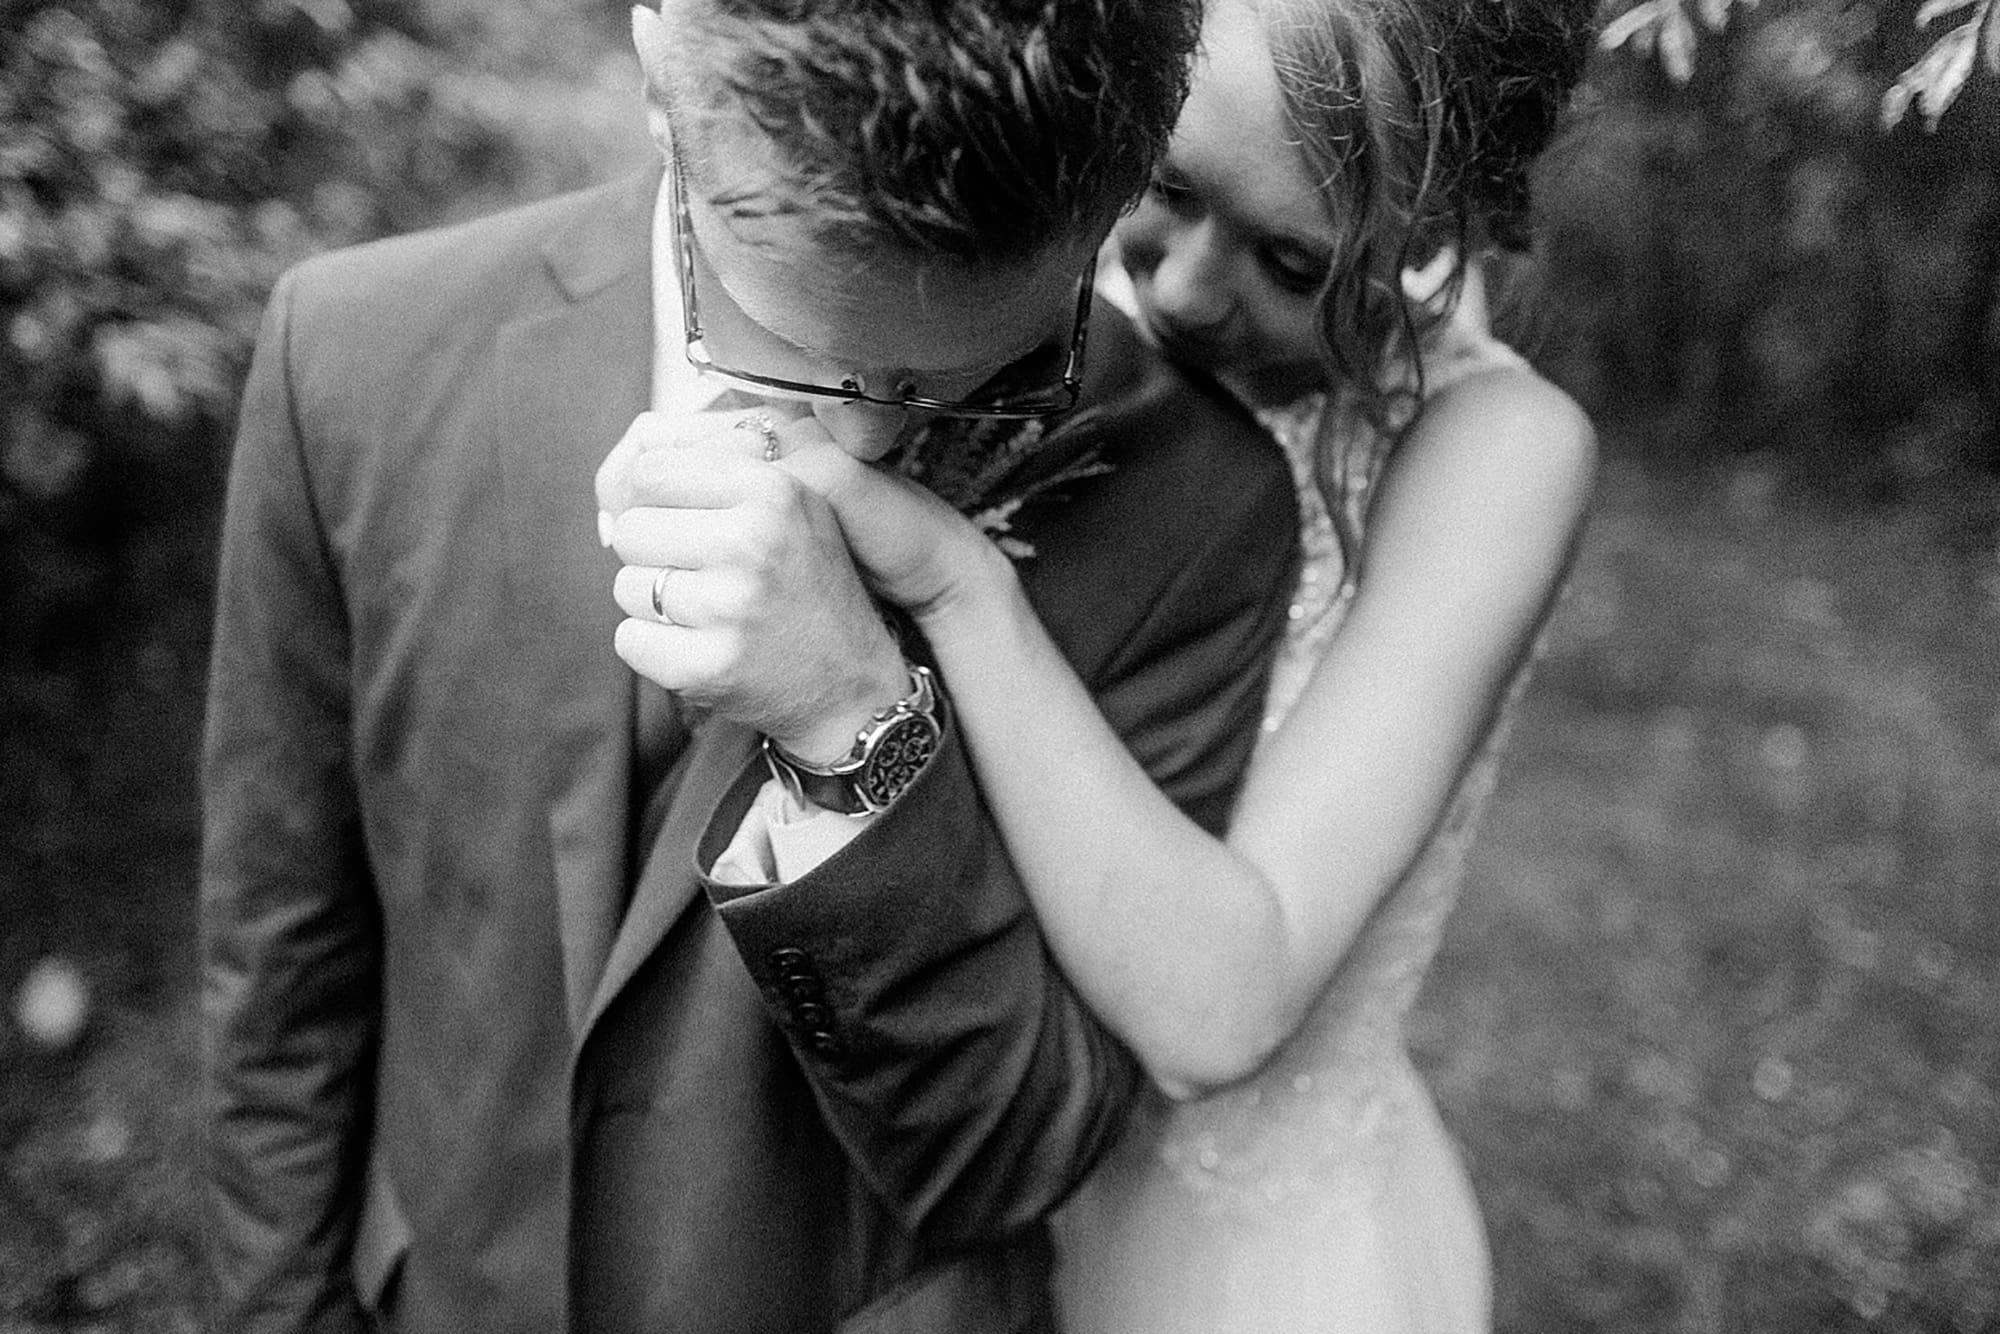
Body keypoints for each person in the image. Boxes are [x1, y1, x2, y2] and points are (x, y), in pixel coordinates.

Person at [197, 0, 1304, 1330]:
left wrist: (856, 723)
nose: (881, 443)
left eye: (985, 374)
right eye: (802, 355)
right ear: (660, 48)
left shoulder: (1199, 510)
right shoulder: (354, 356)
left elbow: (1015, 1154)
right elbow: (281, 967)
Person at [752, 0, 1601, 1326]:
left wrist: (963, 586)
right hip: (930, 1149)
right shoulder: (1041, 287)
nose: (1186, 290)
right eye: (1166, 184)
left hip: (1227, 1259)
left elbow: (1225, 1003)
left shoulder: (1494, 451)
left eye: (1294, 260)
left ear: (1441, 231)